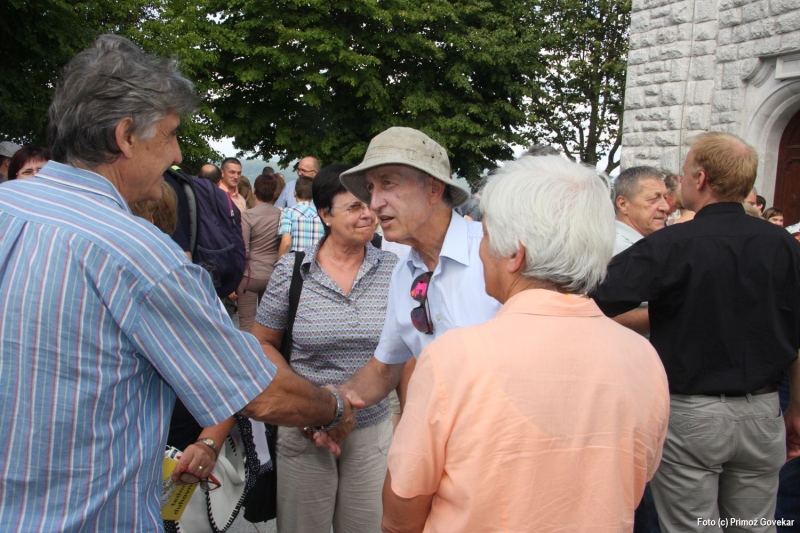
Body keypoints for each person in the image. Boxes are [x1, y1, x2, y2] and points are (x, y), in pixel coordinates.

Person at [0, 35, 360, 532]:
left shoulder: (10, 207)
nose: (177, 153)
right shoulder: (140, 254)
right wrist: (333, 407)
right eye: (170, 134)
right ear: (125, 136)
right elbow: (254, 391)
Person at [382, 155, 670, 532]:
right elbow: (637, 478)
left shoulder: (454, 358)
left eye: (486, 237)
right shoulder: (642, 357)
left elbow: (402, 508)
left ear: (515, 255)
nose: (480, 250)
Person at [591, 132, 800, 533]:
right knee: (753, 526)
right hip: (763, 410)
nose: (678, 186)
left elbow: (595, 298)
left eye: (684, 173)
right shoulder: (783, 244)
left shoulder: (672, 244)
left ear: (700, 179)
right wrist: (796, 408)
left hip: (692, 413)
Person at [312, 127, 501, 450]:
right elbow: (385, 368)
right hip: (443, 448)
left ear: (434, 188)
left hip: (503, 445)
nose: (373, 203)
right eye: (370, 188)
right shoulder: (403, 272)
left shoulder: (495, 253)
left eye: (388, 183)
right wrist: (334, 404)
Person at [253, 165, 398, 533]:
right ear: (325, 215)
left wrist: (409, 420)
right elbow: (263, 342)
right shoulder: (292, 270)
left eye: (369, 204)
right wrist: (302, 400)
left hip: (372, 430)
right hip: (304, 428)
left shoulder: (394, 270)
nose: (368, 214)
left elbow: (404, 352)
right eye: (353, 207)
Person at [236, 173, 282, 333]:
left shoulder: (247, 216)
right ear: (274, 193)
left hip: (250, 274)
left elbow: (243, 249)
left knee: (247, 323)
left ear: (254, 191)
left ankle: (248, 349)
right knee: (268, 325)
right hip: (273, 274)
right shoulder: (281, 214)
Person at [277, 176, 325, 255]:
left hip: (296, 259)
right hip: (317, 258)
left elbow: (286, 243)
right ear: (313, 194)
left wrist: (280, 261)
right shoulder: (322, 214)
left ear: (294, 193)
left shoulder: (288, 212)